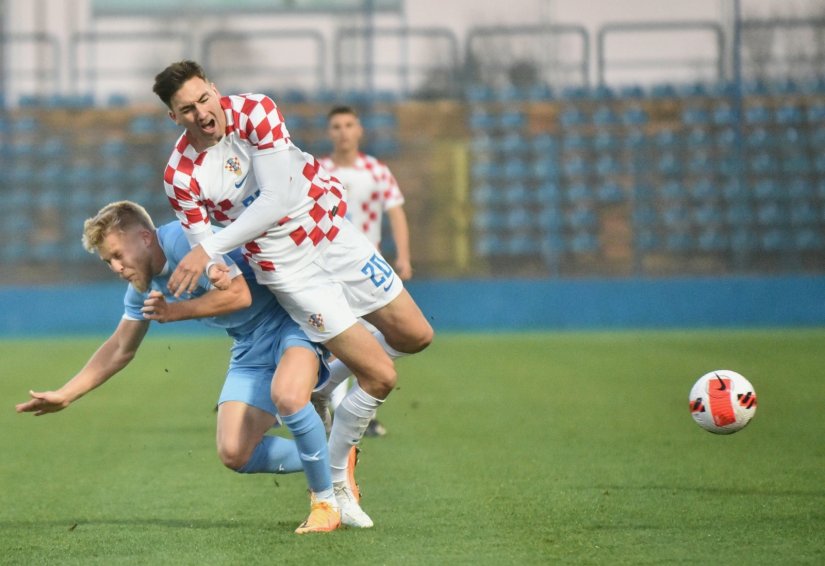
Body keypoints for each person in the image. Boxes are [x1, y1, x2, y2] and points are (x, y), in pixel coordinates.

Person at [152, 60, 433, 528]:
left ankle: (323, 384)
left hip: (331, 235)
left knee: (417, 336)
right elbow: (209, 252)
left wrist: (212, 251)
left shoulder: (256, 110)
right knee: (380, 376)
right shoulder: (181, 176)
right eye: (187, 109)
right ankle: (338, 484)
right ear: (174, 118)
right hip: (289, 271)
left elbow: (277, 200)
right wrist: (219, 272)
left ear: (215, 90)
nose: (202, 112)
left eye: (204, 99)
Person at [15, 200, 355, 534]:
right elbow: (120, 348)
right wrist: (65, 395)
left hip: (290, 317)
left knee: (290, 397)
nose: (116, 267)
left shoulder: (182, 238)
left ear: (145, 238)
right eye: (108, 262)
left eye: (118, 255)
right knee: (235, 452)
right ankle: (336, 455)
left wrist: (174, 312)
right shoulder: (144, 285)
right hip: (249, 344)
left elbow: (239, 296)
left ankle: (324, 503)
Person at [318, 105, 414, 437]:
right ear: (329, 133)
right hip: (326, 266)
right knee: (342, 340)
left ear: (359, 130)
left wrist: (403, 255)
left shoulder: (377, 171)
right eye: (336, 126)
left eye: (349, 124)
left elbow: (396, 212)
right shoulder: (318, 171)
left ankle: (344, 403)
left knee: (370, 339)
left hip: (366, 268)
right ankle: (343, 410)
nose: (343, 131)